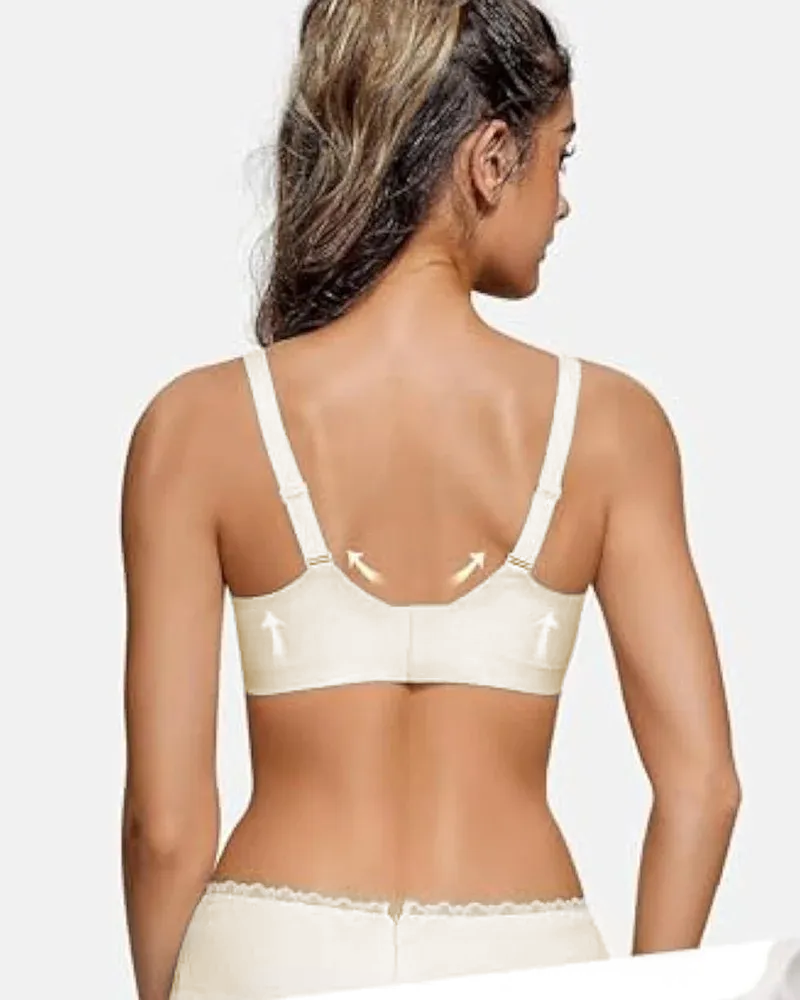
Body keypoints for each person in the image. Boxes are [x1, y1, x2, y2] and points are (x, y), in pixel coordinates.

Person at [120, 1, 742, 998]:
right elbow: (702, 787)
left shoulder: (194, 427)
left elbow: (164, 827)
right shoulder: (613, 429)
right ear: (491, 159)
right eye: (561, 156)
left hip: (268, 952)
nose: (563, 204)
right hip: (523, 956)